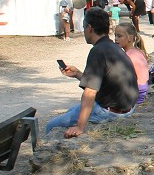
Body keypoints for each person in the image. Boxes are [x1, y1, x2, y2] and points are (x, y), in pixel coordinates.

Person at [45, 7, 139, 139]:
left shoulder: (98, 51)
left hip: (111, 112)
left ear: (89, 28)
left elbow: (90, 92)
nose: (83, 31)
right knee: (72, 110)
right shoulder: (113, 47)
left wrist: (80, 127)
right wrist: (78, 74)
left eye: (84, 27)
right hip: (127, 106)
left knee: (51, 125)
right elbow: (102, 81)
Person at [115, 22, 150, 105]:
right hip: (143, 88)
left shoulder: (127, 56)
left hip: (136, 93)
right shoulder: (140, 52)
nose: (116, 39)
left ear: (130, 38)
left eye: (119, 36)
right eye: (115, 35)